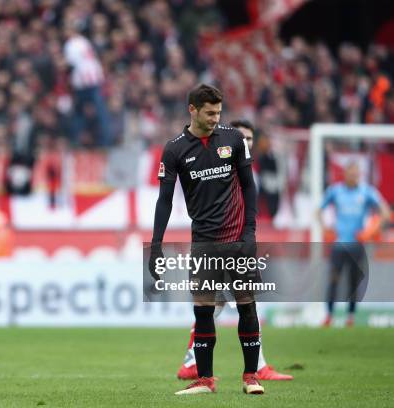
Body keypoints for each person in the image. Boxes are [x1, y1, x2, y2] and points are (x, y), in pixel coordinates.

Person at [148, 84, 263, 395]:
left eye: (218, 112)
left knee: (246, 306)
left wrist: (250, 231)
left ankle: (250, 377)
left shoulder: (234, 139)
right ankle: (206, 380)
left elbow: (249, 187)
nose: (215, 118)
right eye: (209, 112)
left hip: (238, 237)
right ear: (193, 110)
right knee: (203, 310)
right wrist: (156, 245)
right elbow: (164, 201)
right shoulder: (174, 149)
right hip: (203, 241)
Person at [176, 120, 293, 382]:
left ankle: (196, 362)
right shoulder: (223, 167)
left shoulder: (247, 171)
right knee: (220, 306)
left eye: (251, 139)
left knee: (234, 305)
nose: (247, 144)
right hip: (220, 245)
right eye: (244, 139)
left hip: (241, 243)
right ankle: (199, 362)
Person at [318, 162, 390, 327]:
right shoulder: (335, 191)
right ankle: (329, 315)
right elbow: (318, 210)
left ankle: (350, 317)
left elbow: (385, 212)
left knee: (353, 282)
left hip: (357, 246)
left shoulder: (367, 192)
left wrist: (371, 231)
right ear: (345, 174)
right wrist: (325, 228)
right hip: (338, 245)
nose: (354, 176)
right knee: (333, 280)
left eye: (357, 174)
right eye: (351, 173)